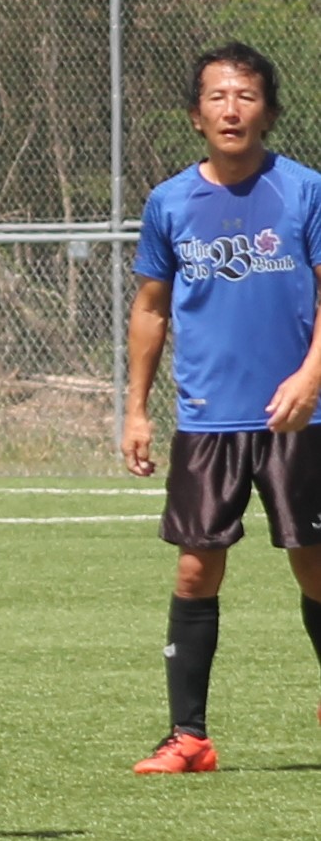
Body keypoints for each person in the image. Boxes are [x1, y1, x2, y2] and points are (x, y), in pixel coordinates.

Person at [120, 41, 321, 774]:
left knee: (314, 566)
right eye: (216, 96)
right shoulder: (170, 202)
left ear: (267, 109)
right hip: (208, 417)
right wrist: (137, 408)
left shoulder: (305, 190)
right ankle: (189, 736)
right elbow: (150, 308)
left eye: (245, 95)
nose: (231, 108)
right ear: (195, 113)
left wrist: (309, 378)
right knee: (195, 571)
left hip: (301, 416)